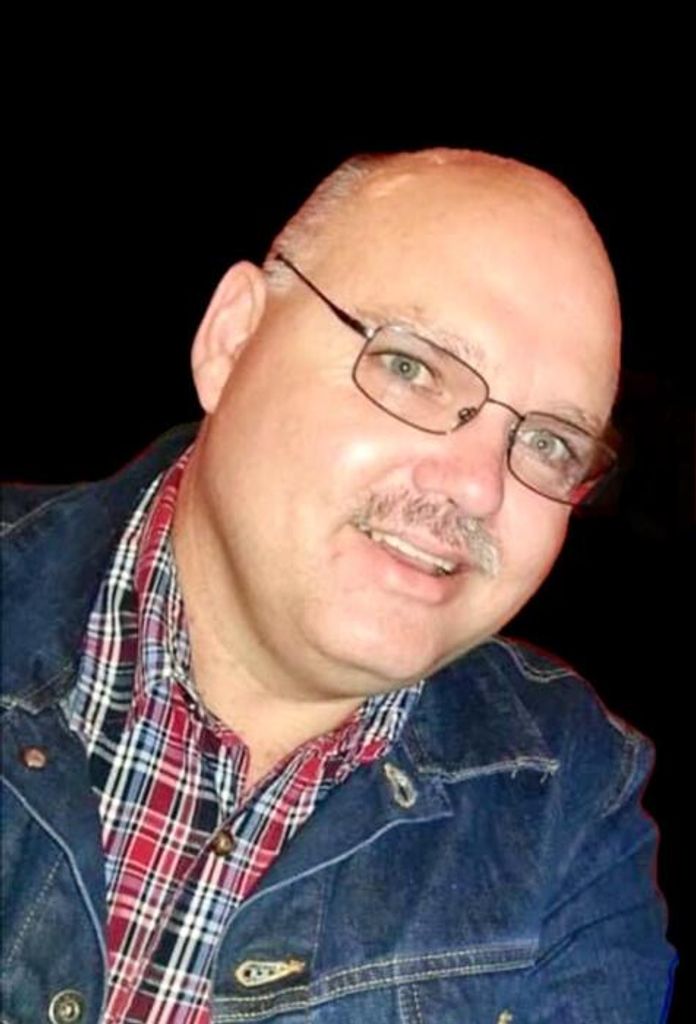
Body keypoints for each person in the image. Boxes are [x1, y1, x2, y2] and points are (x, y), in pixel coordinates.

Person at [1, 148, 676, 1023]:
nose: (479, 487)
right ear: (233, 339)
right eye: (413, 368)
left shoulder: (567, 804)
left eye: (549, 442)